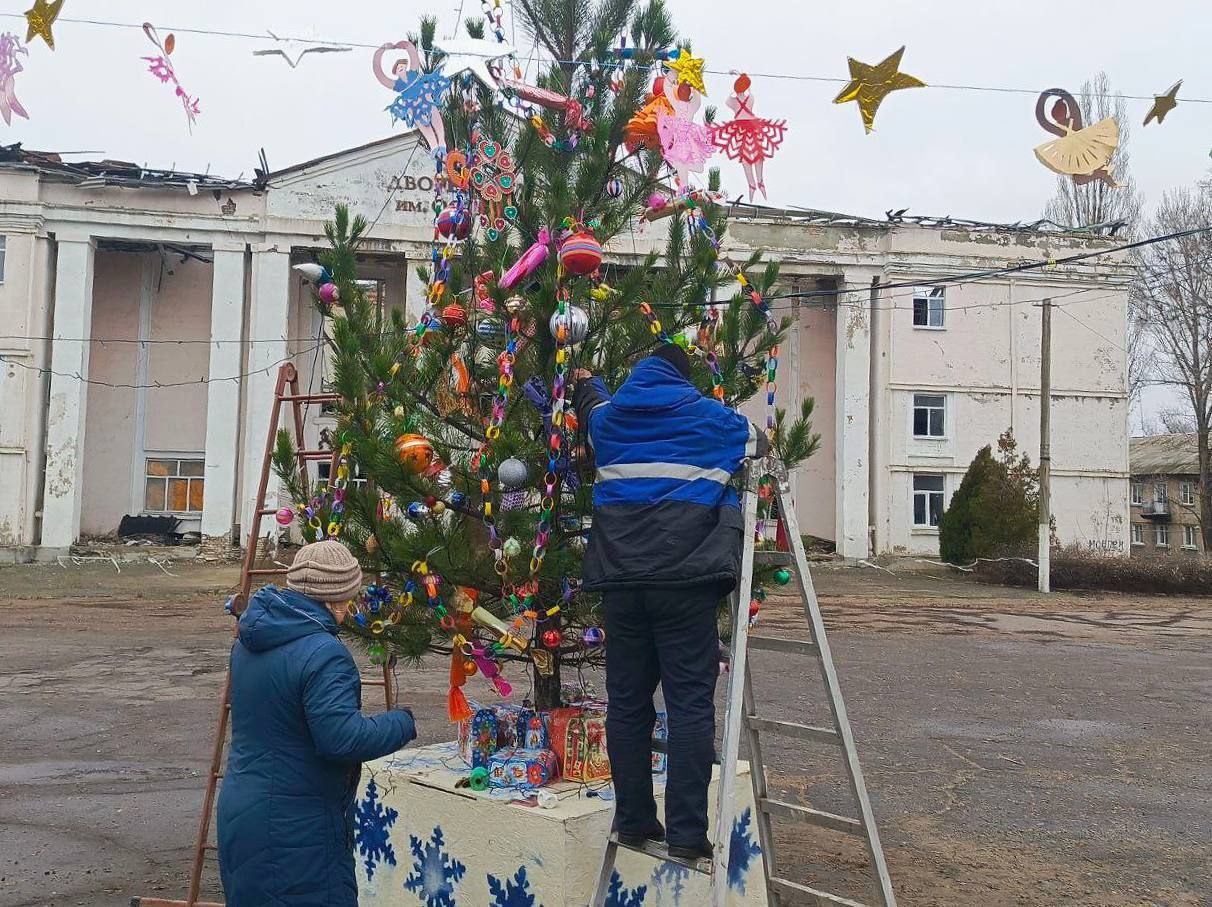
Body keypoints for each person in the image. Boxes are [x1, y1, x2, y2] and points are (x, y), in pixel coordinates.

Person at [572, 343, 768, 860]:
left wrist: (587, 382)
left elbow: (592, 407)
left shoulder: (609, 420)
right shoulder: (712, 419)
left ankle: (634, 819)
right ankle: (685, 835)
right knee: (688, 707)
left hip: (622, 586)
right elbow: (761, 443)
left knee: (628, 705)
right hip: (684, 585)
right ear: (684, 379)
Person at [217, 540, 416, 906]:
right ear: (337, 599)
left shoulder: (249, 641)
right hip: (296, 829)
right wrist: (402, 723)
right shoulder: (324, 653)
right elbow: (341, 740)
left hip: (242, 813)